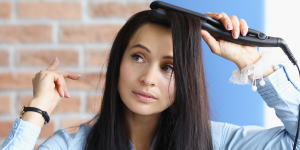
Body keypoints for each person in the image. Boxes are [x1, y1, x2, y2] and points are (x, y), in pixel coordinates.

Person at [0, 9, 299, 150]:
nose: (148, 79)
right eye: (138, 57)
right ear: (118, 62)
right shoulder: (72, 145)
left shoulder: (216, 142)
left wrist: (251, 62)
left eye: (169, 67)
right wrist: (37, 109)